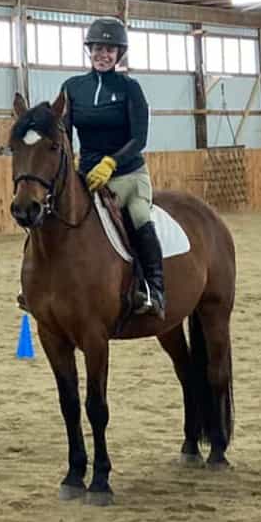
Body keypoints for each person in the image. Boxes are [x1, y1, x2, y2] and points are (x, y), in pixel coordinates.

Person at [60, 18, 165, 318]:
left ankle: (154, 289)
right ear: (89, 51)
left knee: (140, 217)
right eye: (97, 48)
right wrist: (69, 169)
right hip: (87, 176)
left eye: (109, 50)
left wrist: (112, 162)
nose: (102, 54)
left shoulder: (130, 89)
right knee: (54, 215)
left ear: (119, 54)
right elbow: (65, 135)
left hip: (128, 174)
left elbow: (139, 138)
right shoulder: (73, 88)